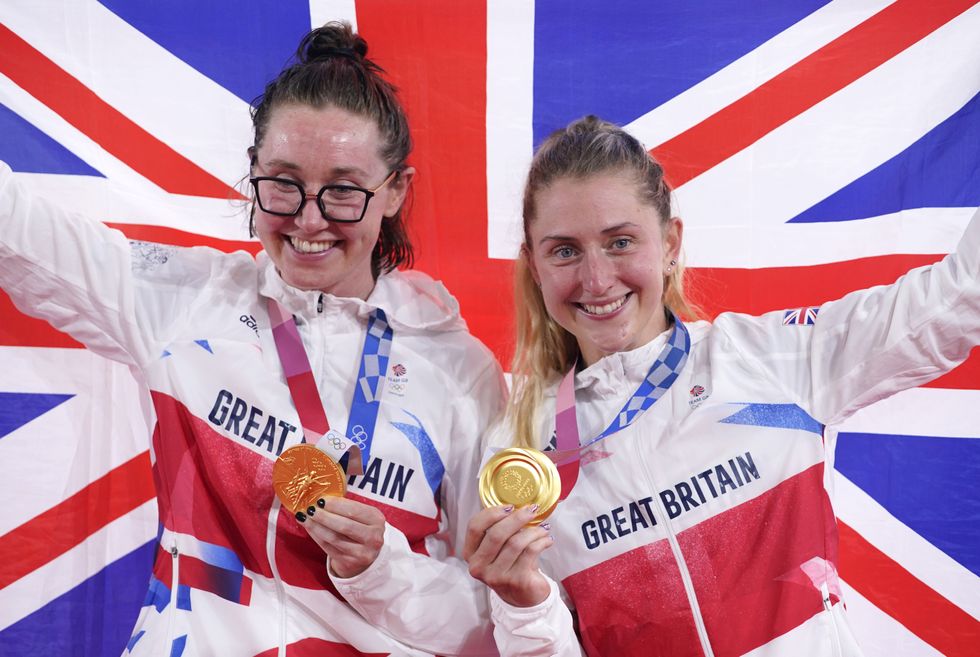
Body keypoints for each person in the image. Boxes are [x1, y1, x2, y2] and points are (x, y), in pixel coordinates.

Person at [0, 22, 505, 657]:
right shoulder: (184, 302)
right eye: (283, 182)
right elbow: (14, 226)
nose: (309, 217)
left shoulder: (461, 372)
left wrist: (382, 567)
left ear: (395, 191)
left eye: (344, 190)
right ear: (253, 174)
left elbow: (490, 623)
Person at [463, 115, 980, 657]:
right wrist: (524, 608)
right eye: (564, 251)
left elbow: (958, 298)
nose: (596, 279)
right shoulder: (518, 455)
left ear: (669, 244)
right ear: (535, 266)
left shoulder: (770, 360)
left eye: (620, 242)